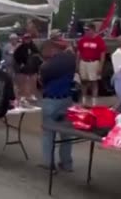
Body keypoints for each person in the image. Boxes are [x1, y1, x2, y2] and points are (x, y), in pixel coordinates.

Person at [39, 40, 76, 173]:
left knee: (48, 134)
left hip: (51, 100)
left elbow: (42, 82)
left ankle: (49, 165)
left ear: (51, 50)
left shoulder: (46, 66)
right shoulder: (71, 59)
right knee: (66, 134)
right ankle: (67, 163)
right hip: (67, 100)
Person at [76, 23, 106, 106]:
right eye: (85, 30)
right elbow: (79, 53)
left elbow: (102, 54)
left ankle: (94, 103)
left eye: (87, 30)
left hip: (94, 63)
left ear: (93, 30)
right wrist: (77, 64)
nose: (86, 31)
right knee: (84, 82)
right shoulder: (82, 40)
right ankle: (84, 101)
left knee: (94, 82)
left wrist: (100, 66)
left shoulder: (99, 40)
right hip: (83, 62)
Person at [13, 33, 40, 102]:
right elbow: (16, 56)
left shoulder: (34, 46)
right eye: (26, 38)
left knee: (33, 82)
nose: (27, 40)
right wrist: (21, 64)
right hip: (24, 67)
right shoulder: (20, 47)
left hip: (33, 67)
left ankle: (32, 95)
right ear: (23, 39)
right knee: (24, 82)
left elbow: (37, 56)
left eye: (29, 38)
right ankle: (23, 95)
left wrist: (37, 65)